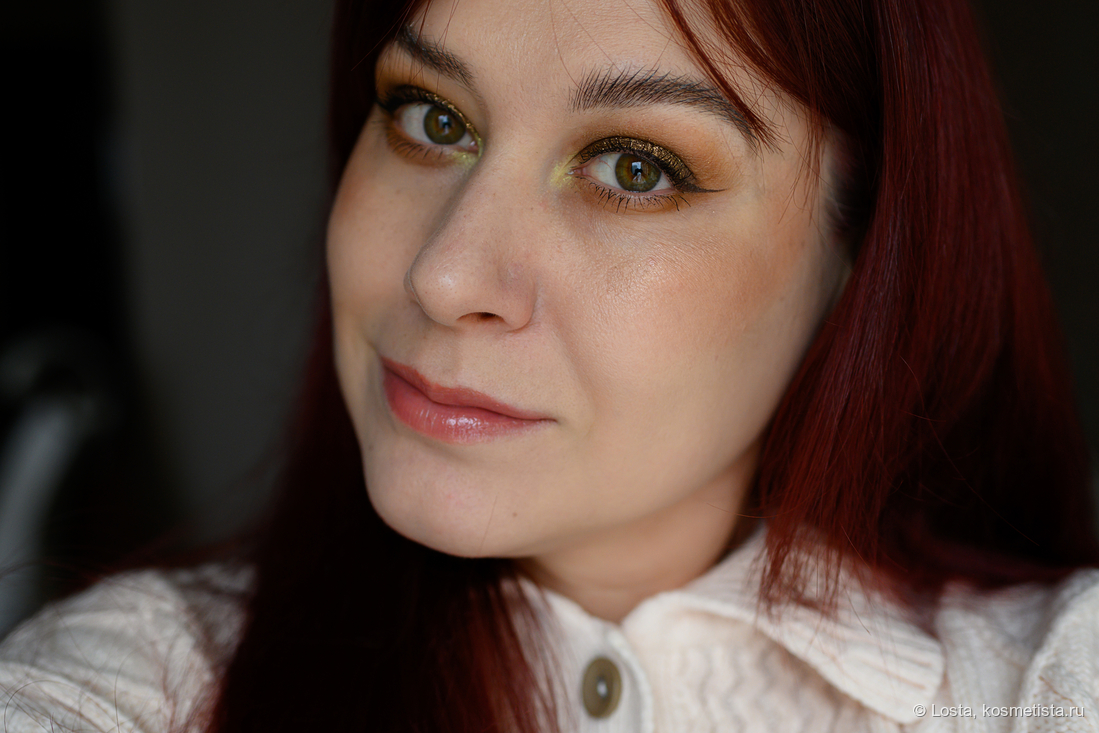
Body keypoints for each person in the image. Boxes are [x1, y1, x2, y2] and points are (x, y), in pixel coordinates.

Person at [1, 0, 1097, 730]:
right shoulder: (148, 681)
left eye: (634, 167)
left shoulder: (1046, 685)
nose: (443, 274)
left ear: (862, 255)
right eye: (431, 116)